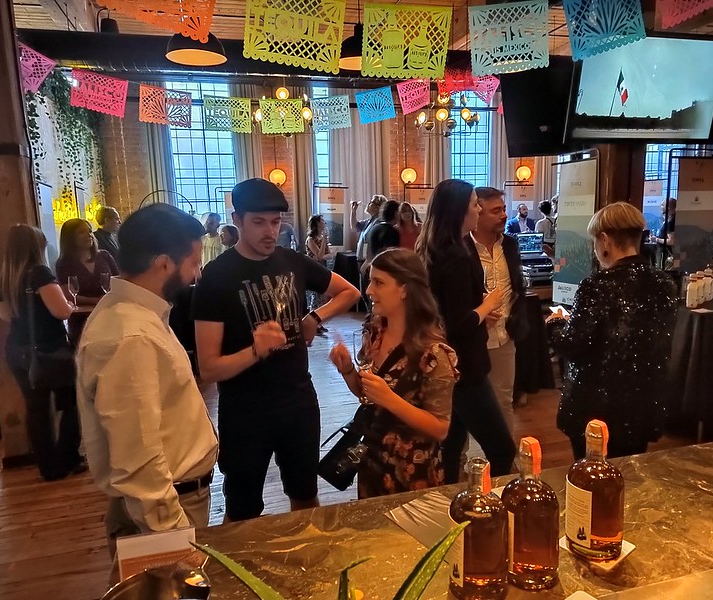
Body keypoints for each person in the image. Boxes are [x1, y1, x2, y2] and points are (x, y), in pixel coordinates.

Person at [193, 178, 360, 521]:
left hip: (298, 401)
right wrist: (256, 351)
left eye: (275, 221)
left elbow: (350, 292)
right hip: (244, 411)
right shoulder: (217, 276)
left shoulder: (292, 261)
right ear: (237, 220)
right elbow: (209, 368)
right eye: (258, 222)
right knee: (242, 510)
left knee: (305, 495)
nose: (270, 232)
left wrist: (314, 316)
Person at [76, 203, 218, 561]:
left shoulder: (136, 314)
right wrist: (176, 541)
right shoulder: (130, 335)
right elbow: (137, 460)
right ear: (164, 264)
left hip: (176, 497)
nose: (197, 273)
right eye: (193, 262)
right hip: (169, 508)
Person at [546, 202, 678, 460]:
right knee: (628, 471)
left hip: (596, 407)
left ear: (605, 240)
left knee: (591, 476)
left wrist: (555, 323)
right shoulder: (664, 283)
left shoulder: (597, 285)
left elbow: (573, 344)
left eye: (595, 241)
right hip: (642, 403)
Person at [329, 248, 457, 498]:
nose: (368, 290)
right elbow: (367, 396)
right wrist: (347, 370)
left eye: (378, 282)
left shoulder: (434, 354)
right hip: (372, 461)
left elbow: (440, 428)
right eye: (370, 281)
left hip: (412, 472)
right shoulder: (375, 333)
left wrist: (390, 399)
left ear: (404, 290)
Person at [415, 179, 517, 482]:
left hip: (448, 363)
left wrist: (479, 307)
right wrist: (487, 305)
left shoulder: (436, 248)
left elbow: (446, 310)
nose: (479, 210)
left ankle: (448, 500)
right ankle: (492, 501)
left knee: (451, 448)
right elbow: (458, 324)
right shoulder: (457, 255)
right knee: (502, 449)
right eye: (475, 205)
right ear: (460, 211)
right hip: (465, 367)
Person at [0, 225, 83, 482]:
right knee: (69, 403)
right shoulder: (40, 274)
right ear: (36, 247)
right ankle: (68, 459)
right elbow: (61, 312)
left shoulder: (4, 277)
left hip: (18, 351)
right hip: (50, 350)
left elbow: (5, 315)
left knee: (36, 409)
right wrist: (69, 304)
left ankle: (47, 467)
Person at [471, 187, 529, 436]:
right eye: (496, 211)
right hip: (471, 338)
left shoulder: (511, 245)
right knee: (463, 404)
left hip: (504, 336)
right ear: (477, 212)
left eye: (504, 209)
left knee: (504, 400)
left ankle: (505, 455)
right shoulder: (461, 247)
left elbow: (517, 285)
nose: (504, 215)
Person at [55, 218, 119, 346]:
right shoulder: (64, 264)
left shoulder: (104, 256)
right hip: (82, 321)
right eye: (81, 232)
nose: (88, 235)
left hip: (109, 316)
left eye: (89, 231)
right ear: (70, 238)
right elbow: (69, 295)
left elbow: (119, 281)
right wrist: (96, 301)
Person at [305, 214, 332, 333]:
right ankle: (312, 324)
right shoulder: (311, 239)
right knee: (315, 299)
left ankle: (318, 323)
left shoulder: (321, 238)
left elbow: (330, 255)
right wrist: (324, 241)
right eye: (322, 221)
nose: (324, 222)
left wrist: (323, 256)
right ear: (316, 224)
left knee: (321, 298)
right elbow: (320, 256)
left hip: (323, 269)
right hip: (313, 271)